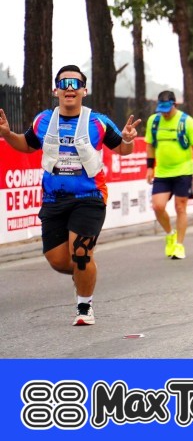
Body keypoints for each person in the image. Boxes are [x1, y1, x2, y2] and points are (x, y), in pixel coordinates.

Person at [0, 65, 141, 325]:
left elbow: (122, 149)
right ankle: (84, 271)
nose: (69, 88)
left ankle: (84, 307)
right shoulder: (43, 120)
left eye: (75, 84)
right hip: (53, 199)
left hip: (90, 197)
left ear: (84, 91)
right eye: (64, 83)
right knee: (58, 260)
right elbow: (28, 145)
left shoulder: (97, 122)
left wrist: (129, 140)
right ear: (56, 90)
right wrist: (8, 135)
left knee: (81, 253)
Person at [146, 91, 193, 260]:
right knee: (158, 206)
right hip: (163, 172)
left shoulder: (187, 122)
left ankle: (179, 245)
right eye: (161, 110)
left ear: (175, 105)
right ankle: (170, 233)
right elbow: (150, 146)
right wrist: (149, 168)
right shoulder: (153, 121)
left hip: (183, 171)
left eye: (167, 109)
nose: (164, 113)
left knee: (180, 208)